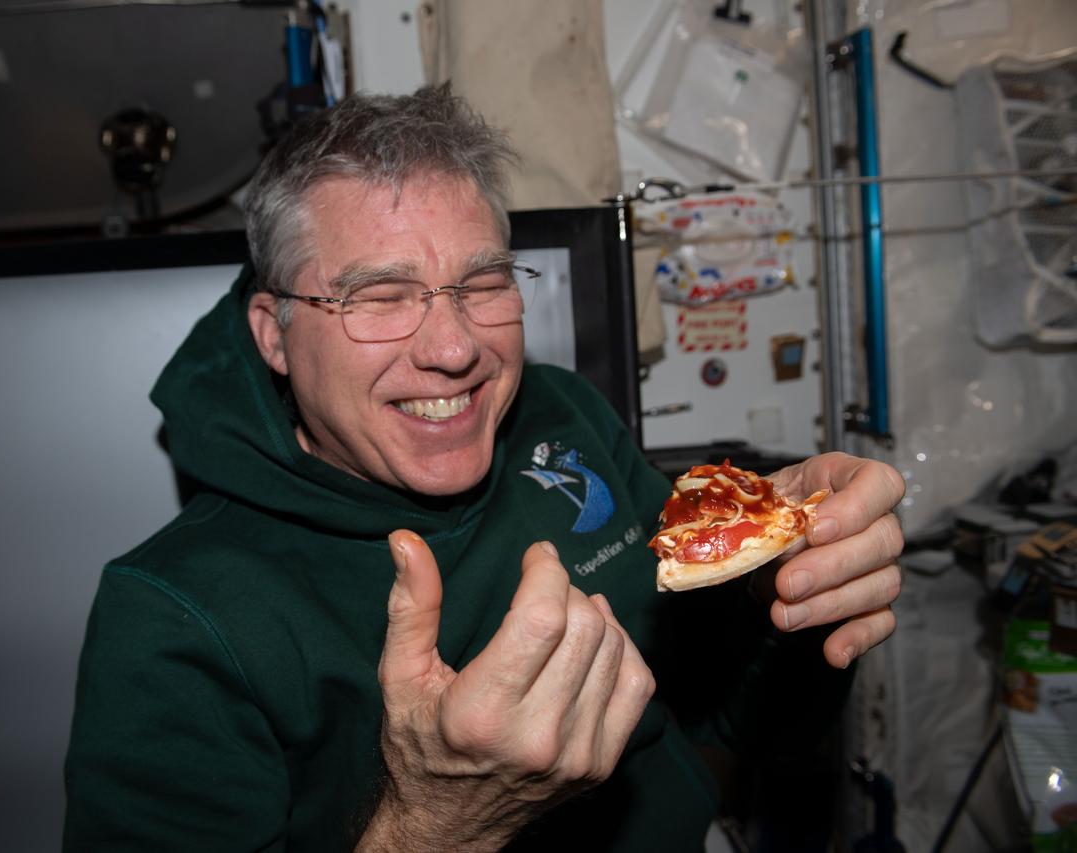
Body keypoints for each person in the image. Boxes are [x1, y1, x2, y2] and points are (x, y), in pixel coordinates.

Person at [63, 85, 904, 851]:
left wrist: (787, 592)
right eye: (380, 296)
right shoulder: (172, 617)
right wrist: (442, 819)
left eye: (485, 281)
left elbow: (719, 699)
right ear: (274, 332)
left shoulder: (562, 414)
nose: (457, 348)